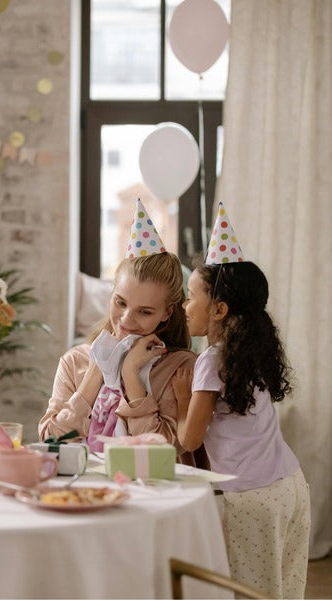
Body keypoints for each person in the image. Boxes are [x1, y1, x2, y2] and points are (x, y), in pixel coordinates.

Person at [172, 231, 309, 597]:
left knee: (250, 593)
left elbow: (189, 439)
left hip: (252, 499)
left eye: (190, 297)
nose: (185, 306)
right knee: (284, 588)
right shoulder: (254, 350)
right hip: (291, 485)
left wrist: (183, 398)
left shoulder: (210, 360)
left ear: (218, 309)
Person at [39, 201, 199, 464]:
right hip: (84, 493)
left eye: (145, 312)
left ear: (167, 313)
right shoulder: (75, 361)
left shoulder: (181, 367)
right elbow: (51, 442)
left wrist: (131, 376)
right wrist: (95, 372)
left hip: (153, 497)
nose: (126, 320)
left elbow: (162, 456)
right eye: (120, 303)